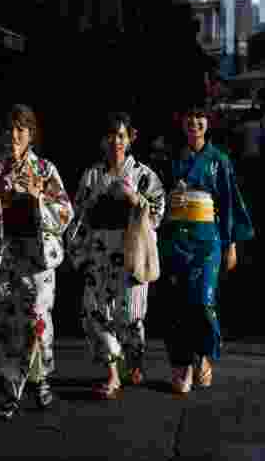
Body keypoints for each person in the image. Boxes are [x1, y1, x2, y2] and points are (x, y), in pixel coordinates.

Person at [0, 104, 73, 420]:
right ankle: (13, 388)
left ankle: (39, 380)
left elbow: (66, 214)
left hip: (38, 258)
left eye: (21, 130)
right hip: (7, 257)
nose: (14, 136)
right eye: (10, 129)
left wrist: (39, 197)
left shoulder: (44, 169)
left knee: (37, 320)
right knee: (8, 323)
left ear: (31, 135)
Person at [67, 112, 166, 399]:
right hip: (99, 249)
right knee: (93, 311)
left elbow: (158, 211)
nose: (116, 142)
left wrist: (137, 200)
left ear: (130, 138)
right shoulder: (92, 175)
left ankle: (134, 358)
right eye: (110, 136)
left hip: (131, 248)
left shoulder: (144, 175)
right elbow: (79, 217)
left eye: (121, 136)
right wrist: (79, 254)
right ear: (102, 141)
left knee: (131, 315)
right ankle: (112, 371)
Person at [159, 94, 254, 394]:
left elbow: (228, 204)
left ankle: (203, 357)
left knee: (203, 299)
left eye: (199, 118)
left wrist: (232, 245)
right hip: (176, 239)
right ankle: (181, 365)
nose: (194, 123)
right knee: (177, 304)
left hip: (208, 241)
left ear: (207, 123)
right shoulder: (171, 159)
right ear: (182, 124)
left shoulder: (219, 161)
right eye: (189, 118)